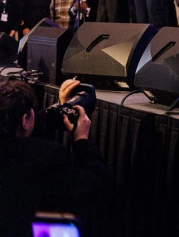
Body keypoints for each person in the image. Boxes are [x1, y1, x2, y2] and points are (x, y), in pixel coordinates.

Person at [0, 78, 110, 236]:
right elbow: (97, 190)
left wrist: (61, 107)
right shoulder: (46, 159)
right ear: (25, 120)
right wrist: (81, 140)